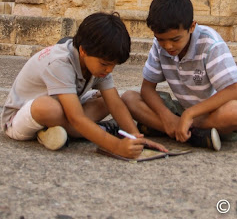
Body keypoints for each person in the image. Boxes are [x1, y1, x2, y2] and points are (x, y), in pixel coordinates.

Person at [1, 11, 167, 158]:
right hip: (20, 119)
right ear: (83, 51)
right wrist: (116, 146)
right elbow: (76, 117)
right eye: (104, 64)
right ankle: (90, 131)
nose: (109, 69)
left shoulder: (98, 64)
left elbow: (115, 104)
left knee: (108, 99)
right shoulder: (60, 62)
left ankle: (56, 132)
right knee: (48, 107)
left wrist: (136, 138)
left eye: (113, 65)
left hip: (65, 109)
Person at [122, 0, 237, 151]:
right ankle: (191, 134)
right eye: (161, 39)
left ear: (192, 27)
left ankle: (174, 129)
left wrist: (189, 115)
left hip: (213, 113)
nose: (168, 46)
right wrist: (167, 116)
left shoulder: (210, 44)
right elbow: (147, 89)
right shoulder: (159, 46)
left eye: (175, 39)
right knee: (129, 98)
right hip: (184, 111)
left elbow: (235, 91)